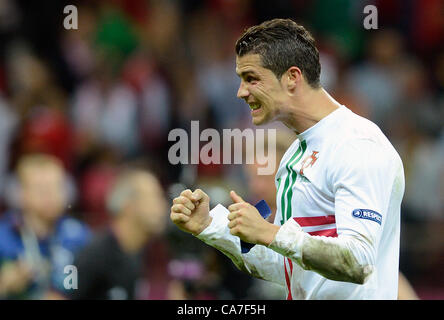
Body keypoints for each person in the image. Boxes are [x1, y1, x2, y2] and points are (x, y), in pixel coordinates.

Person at [170, 18, 405, 299]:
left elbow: (359, 262)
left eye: (251, 78)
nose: (241, 92)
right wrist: (210, 226)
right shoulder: (293, 155)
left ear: (292, 77)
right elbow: (290, 267)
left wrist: (271, 233)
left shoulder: (357, 145)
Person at [66, 168, 168, 300]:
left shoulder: (138, 252)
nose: (162, 206)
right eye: (154, 197)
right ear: (128, 205)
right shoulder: (94, 256)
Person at [0, 154, 90, 299]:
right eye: (41, 188)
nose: (51, 194)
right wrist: (3, 286)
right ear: (22, 193)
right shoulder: (3, 236)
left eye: (57, 186)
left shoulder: (79, 235)